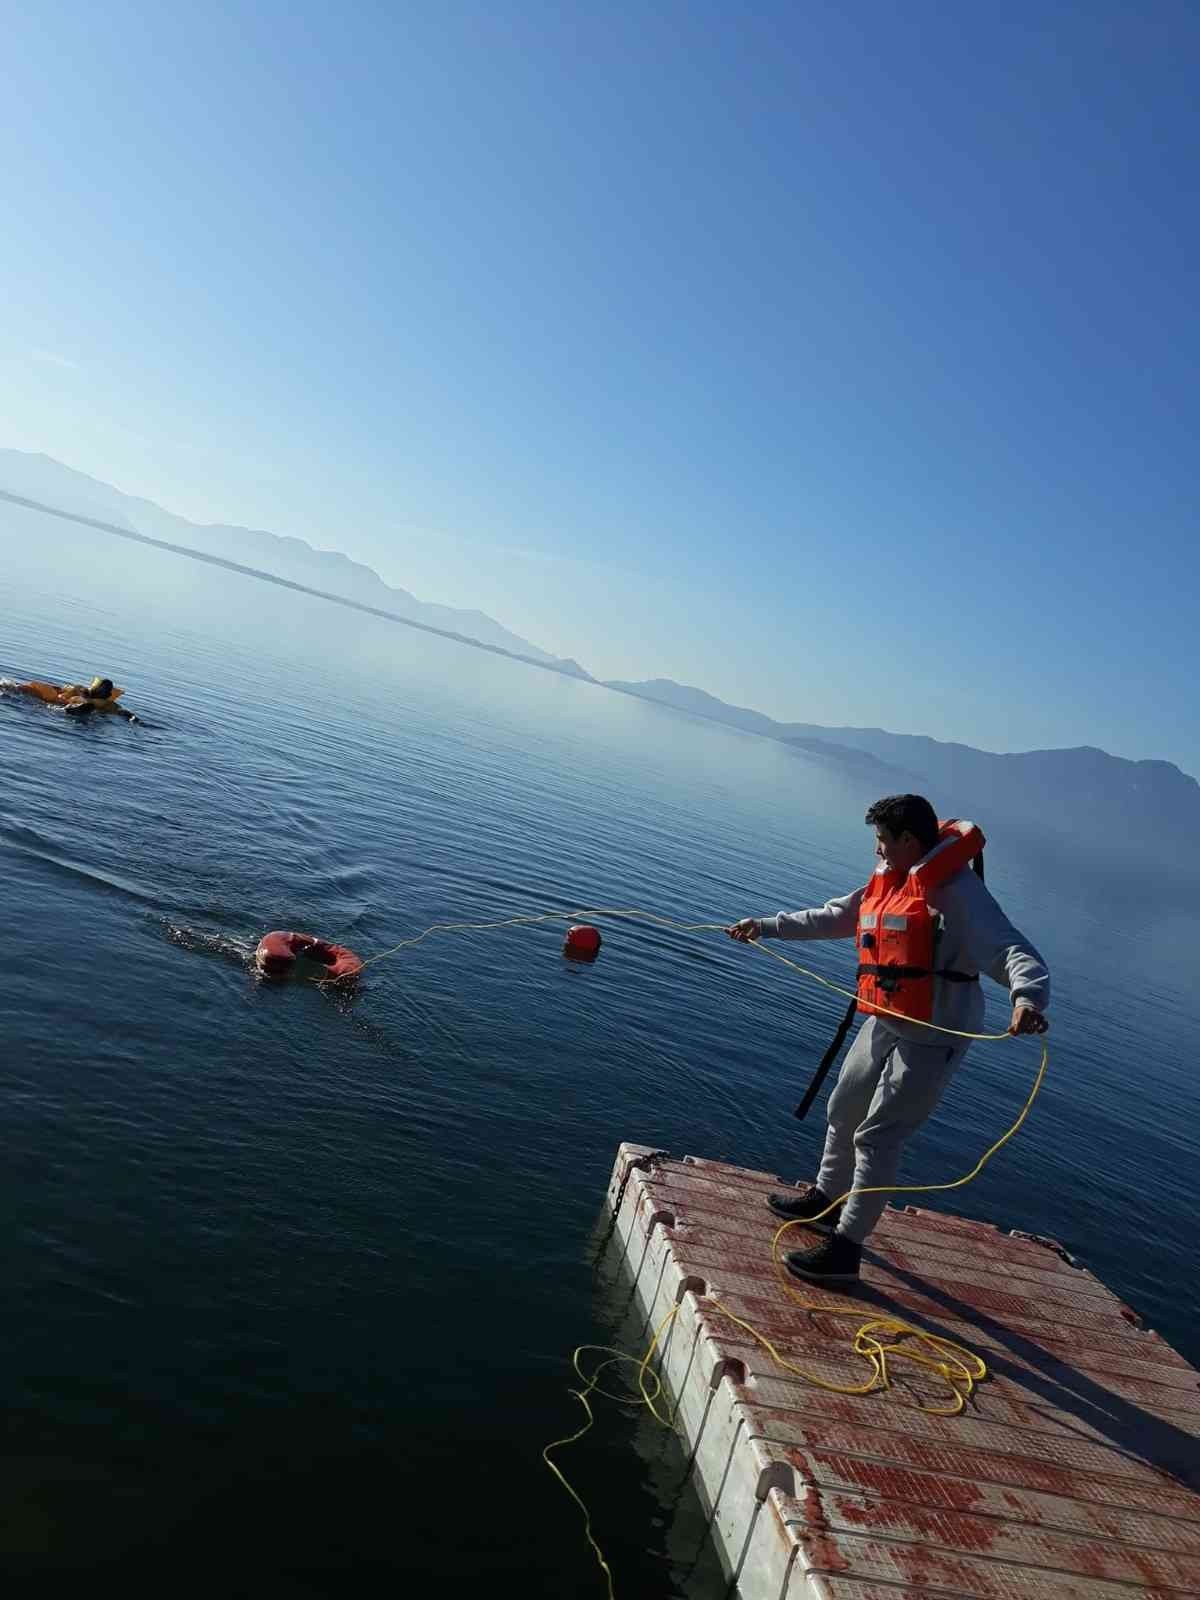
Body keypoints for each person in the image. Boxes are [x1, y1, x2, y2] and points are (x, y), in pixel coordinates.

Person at [727, 794, 1049, 1285]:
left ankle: (846, 1250)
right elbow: (836, 916)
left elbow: (1009, 948)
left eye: (882, 840)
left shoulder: (959, 892)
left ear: (909, 840)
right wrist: (767, 927)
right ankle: (827, 1199)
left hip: (936, 1028)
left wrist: (1027, 998)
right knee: (844, 1105)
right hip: (888, 1014)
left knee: (878, 1136)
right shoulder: (890, 879)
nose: (877, 850)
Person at [17, 676, 138, 721]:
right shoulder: (109, 704)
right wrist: (134, 719)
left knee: (51, 704)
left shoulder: (81, 692)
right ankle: (73, 711)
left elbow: (59, 690)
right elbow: (124, 712)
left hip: (61, 704)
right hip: (91, 711)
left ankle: (69, 711)